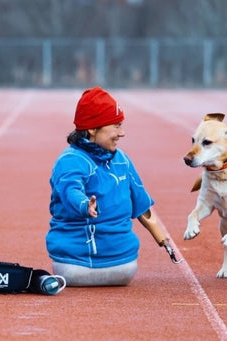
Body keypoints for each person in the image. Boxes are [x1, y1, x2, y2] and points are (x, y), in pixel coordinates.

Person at [45, 86, 161, 286]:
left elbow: (141, 203)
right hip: (77, 268)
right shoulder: (73, 160)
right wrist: (84, 206)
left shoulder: (121, 160)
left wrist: (163, 239)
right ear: (92, 129)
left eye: (121, 125)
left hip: (121, 267)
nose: (121, 133)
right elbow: (71, 190)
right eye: (115, 126)